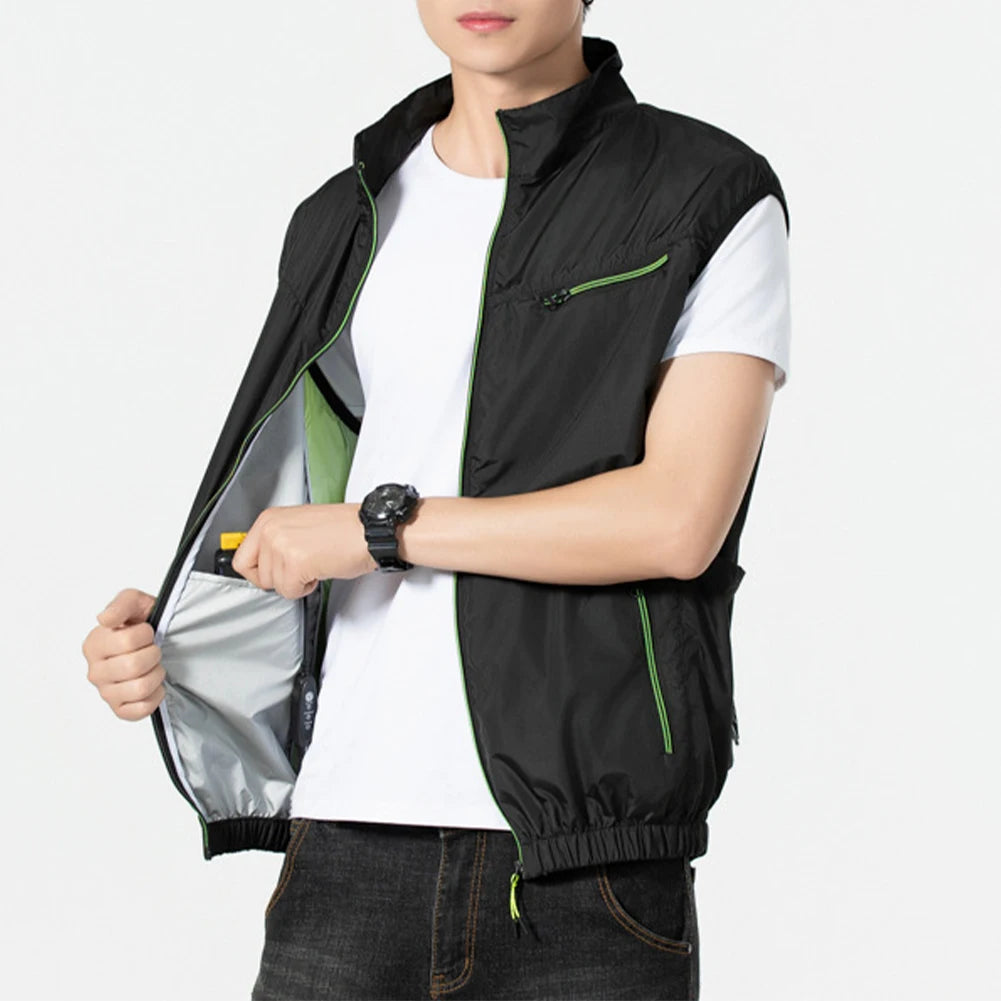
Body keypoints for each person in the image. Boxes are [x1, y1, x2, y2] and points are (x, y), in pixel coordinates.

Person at [82, 2, 790, 999]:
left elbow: (676, 521)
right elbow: (305, 495)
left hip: (584, 868)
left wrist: (385, 531)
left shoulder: (702, 191)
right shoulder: (348, 214)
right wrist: (184, 633)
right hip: (342, 843)